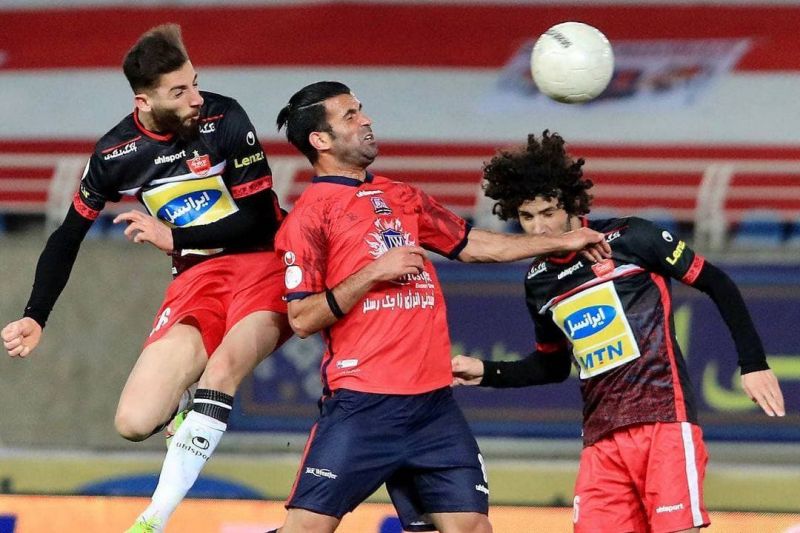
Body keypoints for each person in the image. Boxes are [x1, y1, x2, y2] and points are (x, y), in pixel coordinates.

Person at [269, 82, 610, 533]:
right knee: (306, 529)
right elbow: (302, 318)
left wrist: (561, 240)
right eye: (350, 116)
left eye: (362, 110)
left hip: (433, 406)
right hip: (364, 404)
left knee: (471, 527)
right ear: (320, 140)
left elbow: (473, 245)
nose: (366, 120)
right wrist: (373, 272)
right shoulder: (309, 216)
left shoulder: (402, 196)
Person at [0, 24, 292, 533]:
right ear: (145, 101)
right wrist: (36, 315)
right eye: (179, 92)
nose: (196, 98)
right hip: (198, 277)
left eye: (195, 83)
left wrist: (174, 236)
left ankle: (155, 518)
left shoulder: (225, 116)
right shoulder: (115, 155)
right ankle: (185, 399)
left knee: (223, 370)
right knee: (134, 422)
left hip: (267, 260)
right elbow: (68, 236)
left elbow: (260, 221)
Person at [451, 131, 786, 533]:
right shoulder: (539, 280)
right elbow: (552, 365)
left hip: (663, 421)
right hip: (601, 440)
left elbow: (717, 283)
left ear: (570, 202)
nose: (539, 228)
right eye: (527, 217)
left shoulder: (632, 238)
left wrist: (753, 364)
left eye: (548, 212)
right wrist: (487, 371)